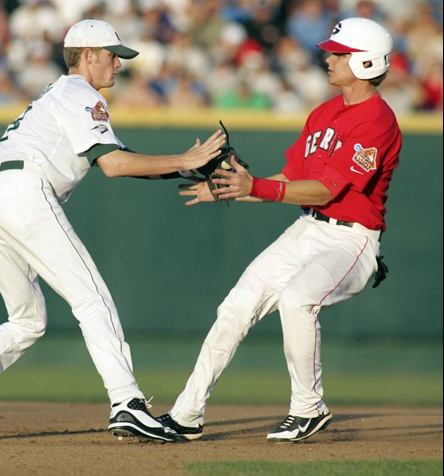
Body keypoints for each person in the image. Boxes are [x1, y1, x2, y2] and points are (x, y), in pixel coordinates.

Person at [0, 19, 226, 443]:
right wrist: (185, 158)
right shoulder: (81, 93)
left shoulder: (59, 94)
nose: (118, 65)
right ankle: (127, 403)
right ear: (88, 56)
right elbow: (114, 165)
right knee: (93, 299)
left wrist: (182, 165)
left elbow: (118, 156)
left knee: (27, 319)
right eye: (112, 56)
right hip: (24, 194)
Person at [157, 17, 401, 443]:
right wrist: (230, 190)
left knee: (297, 299)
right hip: (307, 229)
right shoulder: (324, 113)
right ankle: (186, 414)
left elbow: (325, 191)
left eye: (340, 53)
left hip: (350, 240)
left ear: (365, 63)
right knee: (235, 307)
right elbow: (288, 180)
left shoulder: (376, 120)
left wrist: (256, 187)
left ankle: (308, 408)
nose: (329, 57)